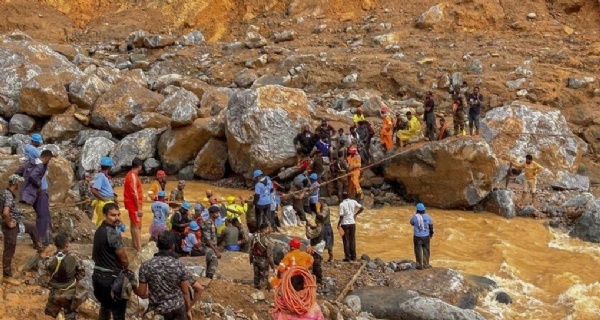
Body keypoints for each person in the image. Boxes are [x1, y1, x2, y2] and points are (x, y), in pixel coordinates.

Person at [135, 231, 204, 320]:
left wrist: (133, 287)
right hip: (177, 310)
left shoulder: (146, 266)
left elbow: (141, 293)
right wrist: (188, 309)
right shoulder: (178, 265)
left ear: (157, 245)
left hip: (158, 312)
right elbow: (185, 292)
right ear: (172, 246)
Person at [2, 174, 48, 286]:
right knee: (9, 248)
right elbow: (5, 212)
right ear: (15, 184)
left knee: (32, 228)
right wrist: (9, 223)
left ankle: (40, 250)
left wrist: (19, 213)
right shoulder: (8, 196)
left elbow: (10, 210)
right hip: (10, 225)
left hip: (14, 222)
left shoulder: (6, 193)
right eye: (19, 183)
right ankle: (6, 276)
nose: (20, 185)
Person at [92, 203, 130, 320]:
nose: (117, 218)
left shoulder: (99, 231)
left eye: (118, 215)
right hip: (112, 280)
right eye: (113, 215)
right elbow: (123, 258)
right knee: (118, 313)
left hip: (98, 278)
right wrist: (126, 267)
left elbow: (94, 255)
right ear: (104, 216)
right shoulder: (112, 233)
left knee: (105, 308)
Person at [36, 233, 87, 320]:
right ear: (67, 245)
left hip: (55, 293)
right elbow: (82, 272)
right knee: (70, 314)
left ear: (56, 245)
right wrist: (75, 279)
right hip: (70, 293)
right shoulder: (75, 257)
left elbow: (39, 278)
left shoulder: (49, 260)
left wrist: (48, 285)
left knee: (50, 315)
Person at [17, 149, 54, 245]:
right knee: (42, 216)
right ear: (46, 158)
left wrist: (24, 184)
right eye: (49, 159)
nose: (49, 161)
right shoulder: (41, 165)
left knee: (41, 216)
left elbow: (19, 171)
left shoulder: (30, 163)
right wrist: (39, 185)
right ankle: (39, 240)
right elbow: (33, 176)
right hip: (40, 194)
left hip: (33, 194)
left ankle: (41, 239)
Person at [124, 158, 144, 251]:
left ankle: (134, 244)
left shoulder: (129, 175)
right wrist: (139, 207)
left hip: (131, 204)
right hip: (134, 205)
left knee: (133, 224)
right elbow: (134, 193)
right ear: (139, 166)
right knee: (137, 226)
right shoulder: (132, 176)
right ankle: (139, 247)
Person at [91, 157, 118, 227]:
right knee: (103, 222)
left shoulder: (105, 176)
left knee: (109, 221)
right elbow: (94, 190)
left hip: (108, 201)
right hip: (104, 203)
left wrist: (114, 198)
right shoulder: (101, 176)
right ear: (109, 167)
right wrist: (104, 200)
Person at [338, 192, 363, 262]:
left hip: (344, 224)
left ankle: (347, 257)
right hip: (352, 223)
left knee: (346, 241)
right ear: (348, 196)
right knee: (352, 240)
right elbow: (362, 208)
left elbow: (341, 216)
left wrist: (338, 224)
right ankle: (354, 257)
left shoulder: (342, 204)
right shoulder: (353, 201)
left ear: (342, 197)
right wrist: (356, 214)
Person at [249, 222, 275, 289]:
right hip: (263, 261)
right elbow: (269, 254)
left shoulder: (254, 237)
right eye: (268, 228)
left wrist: (251, 259)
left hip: (255, 259)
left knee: (256, 276)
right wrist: (272, 265)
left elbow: (251, 249)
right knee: (263, 277)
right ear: (265, 229)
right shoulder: (267, 240)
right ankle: (262, 291)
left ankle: (256, 288)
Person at [410, 203, 434, 270]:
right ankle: (426, 264)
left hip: (417, 237)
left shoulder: (415, 217)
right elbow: (431, 226)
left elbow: (411, 223)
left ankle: (419, 265)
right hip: (426, 236)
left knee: (418, 250)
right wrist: (431, 234)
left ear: (417, 210)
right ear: (424, 210)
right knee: (426, 250)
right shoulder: (428, 217)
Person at [305, 214, 326, 292]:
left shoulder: (319, 229)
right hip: (319, 246)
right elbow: (315, 229)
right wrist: (311, 226)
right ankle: (316, 278)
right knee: (315, 262)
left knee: (316, 263)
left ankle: (318, 280)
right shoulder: (321, 226)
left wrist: (307, 227)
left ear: (317, 220)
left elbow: (309, 236)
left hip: (317, 247)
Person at [201, 206, 222, 279]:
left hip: (212, 246)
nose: (218, 215)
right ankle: (209, 278)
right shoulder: (207, 223)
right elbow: (207, 240)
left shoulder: (213, 223)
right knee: (214, 260)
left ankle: (208, 278)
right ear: (211, 214)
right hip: (206, 246)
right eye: (216, 213)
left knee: (212, 262)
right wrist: (216, 251)